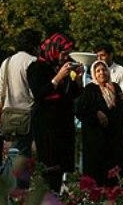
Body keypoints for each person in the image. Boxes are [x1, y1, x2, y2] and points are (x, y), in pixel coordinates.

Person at [27, 33, 83, 192]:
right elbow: (39, 93)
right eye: (63, 53)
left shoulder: (63, 67)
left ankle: (56, 194)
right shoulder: (36, 67)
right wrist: (57, 78)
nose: (65, 57)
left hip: (63, 121)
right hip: (46, 123)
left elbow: (73, 95)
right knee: (49, 164)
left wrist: (77, 79)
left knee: (60, 164)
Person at [75, 59, 123, 186]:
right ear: (94, 74)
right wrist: (96, 114)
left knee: (117, 181)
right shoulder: (90, 89)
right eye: (98, 71)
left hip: (116, 143)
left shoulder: (115, 88)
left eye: (104, 69)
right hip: (97, 143)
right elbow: (80, 110)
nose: (102, 73)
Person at [0, 28, 40, 168]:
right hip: (27, 114)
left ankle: (11, 183)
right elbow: (35, 92)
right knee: (24, 152)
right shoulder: (33, 61)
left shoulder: (6, 62)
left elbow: (0, 92)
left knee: (13, 151)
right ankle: (20, 187)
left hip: (8, 114)